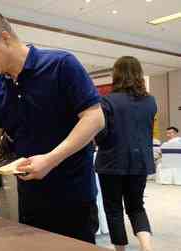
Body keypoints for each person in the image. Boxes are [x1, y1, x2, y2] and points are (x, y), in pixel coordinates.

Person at [0, 9, 105, 244]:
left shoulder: (61, 65)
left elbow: (94, 118)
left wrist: (50, 159)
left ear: (5, 37)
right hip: (30, 194)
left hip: (72, 193)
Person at [95, 56, 155, 251]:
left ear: (116, 74)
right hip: (140, 162)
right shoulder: (150, 101)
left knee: (114, 209)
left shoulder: (107, 101)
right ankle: (147, 248)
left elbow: (101, 135)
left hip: (112, 162)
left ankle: (120, 249)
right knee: (137, 206)